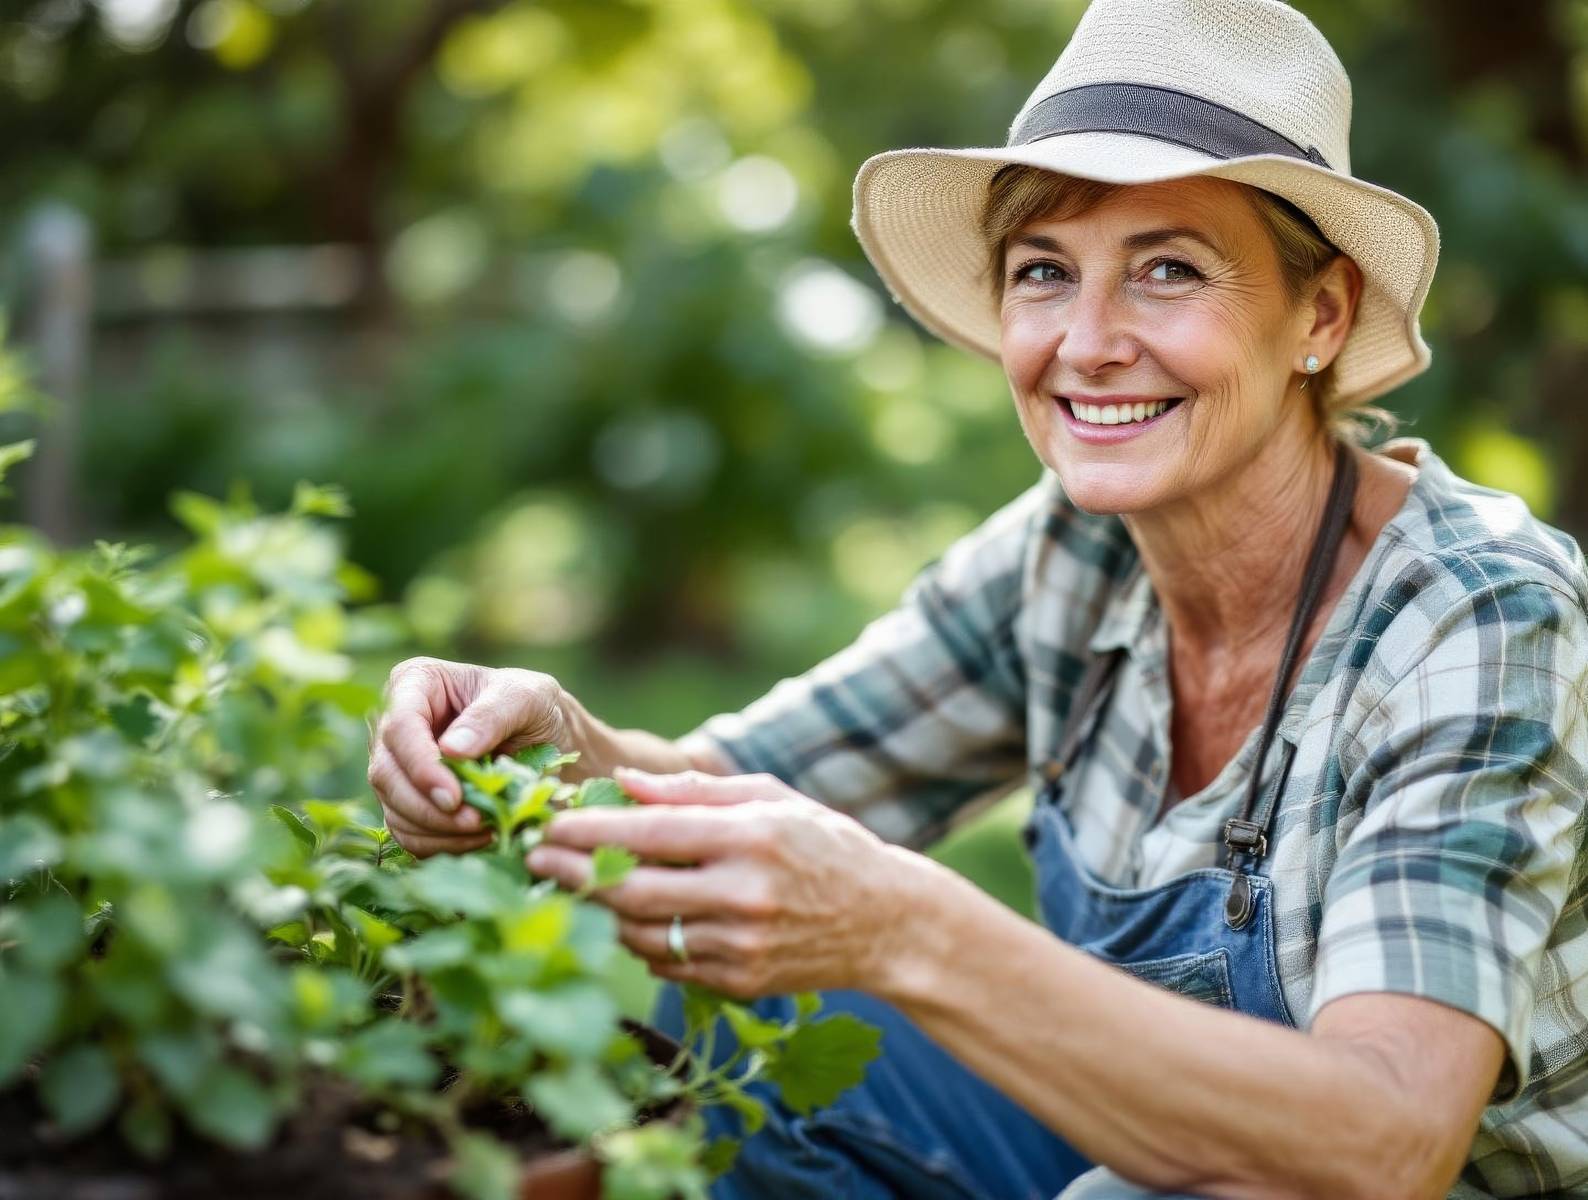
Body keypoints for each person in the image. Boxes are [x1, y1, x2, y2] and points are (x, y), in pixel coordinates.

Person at [366, 0, 1588, 1196]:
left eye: (1167, 270)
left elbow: (1385, 1144)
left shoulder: (1471, 614)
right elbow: (735, 795)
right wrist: (550, 747)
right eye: (1043, 272)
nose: (1088, 341)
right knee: (689, 978)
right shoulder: (1068, 551)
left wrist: (908, 927)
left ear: (1318, 314)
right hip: (1123, 1137)